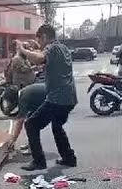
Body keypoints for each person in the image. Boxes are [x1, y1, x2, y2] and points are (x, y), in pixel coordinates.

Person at [16, 24, 78, 171]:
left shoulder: (51, 48)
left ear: (44, 37)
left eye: (40, 40)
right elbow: (44, 57)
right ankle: (69, 158)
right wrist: (34, 47)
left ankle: (39, 161)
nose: (40, 44)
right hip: (69, 97)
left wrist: (23, 50)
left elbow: (39, 58)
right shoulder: (63, 48)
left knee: (31, 124)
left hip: (57, 99)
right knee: (57, 125)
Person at [4, 40, 40, 153]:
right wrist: (34, 68)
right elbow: (25, 70)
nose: (29, 51)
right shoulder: (17, 59)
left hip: (29, 90)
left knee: (29, 120)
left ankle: (31, 145)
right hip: (24, 91)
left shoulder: (24, 59)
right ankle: (30, 145)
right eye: (27, 48)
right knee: (25, 119)